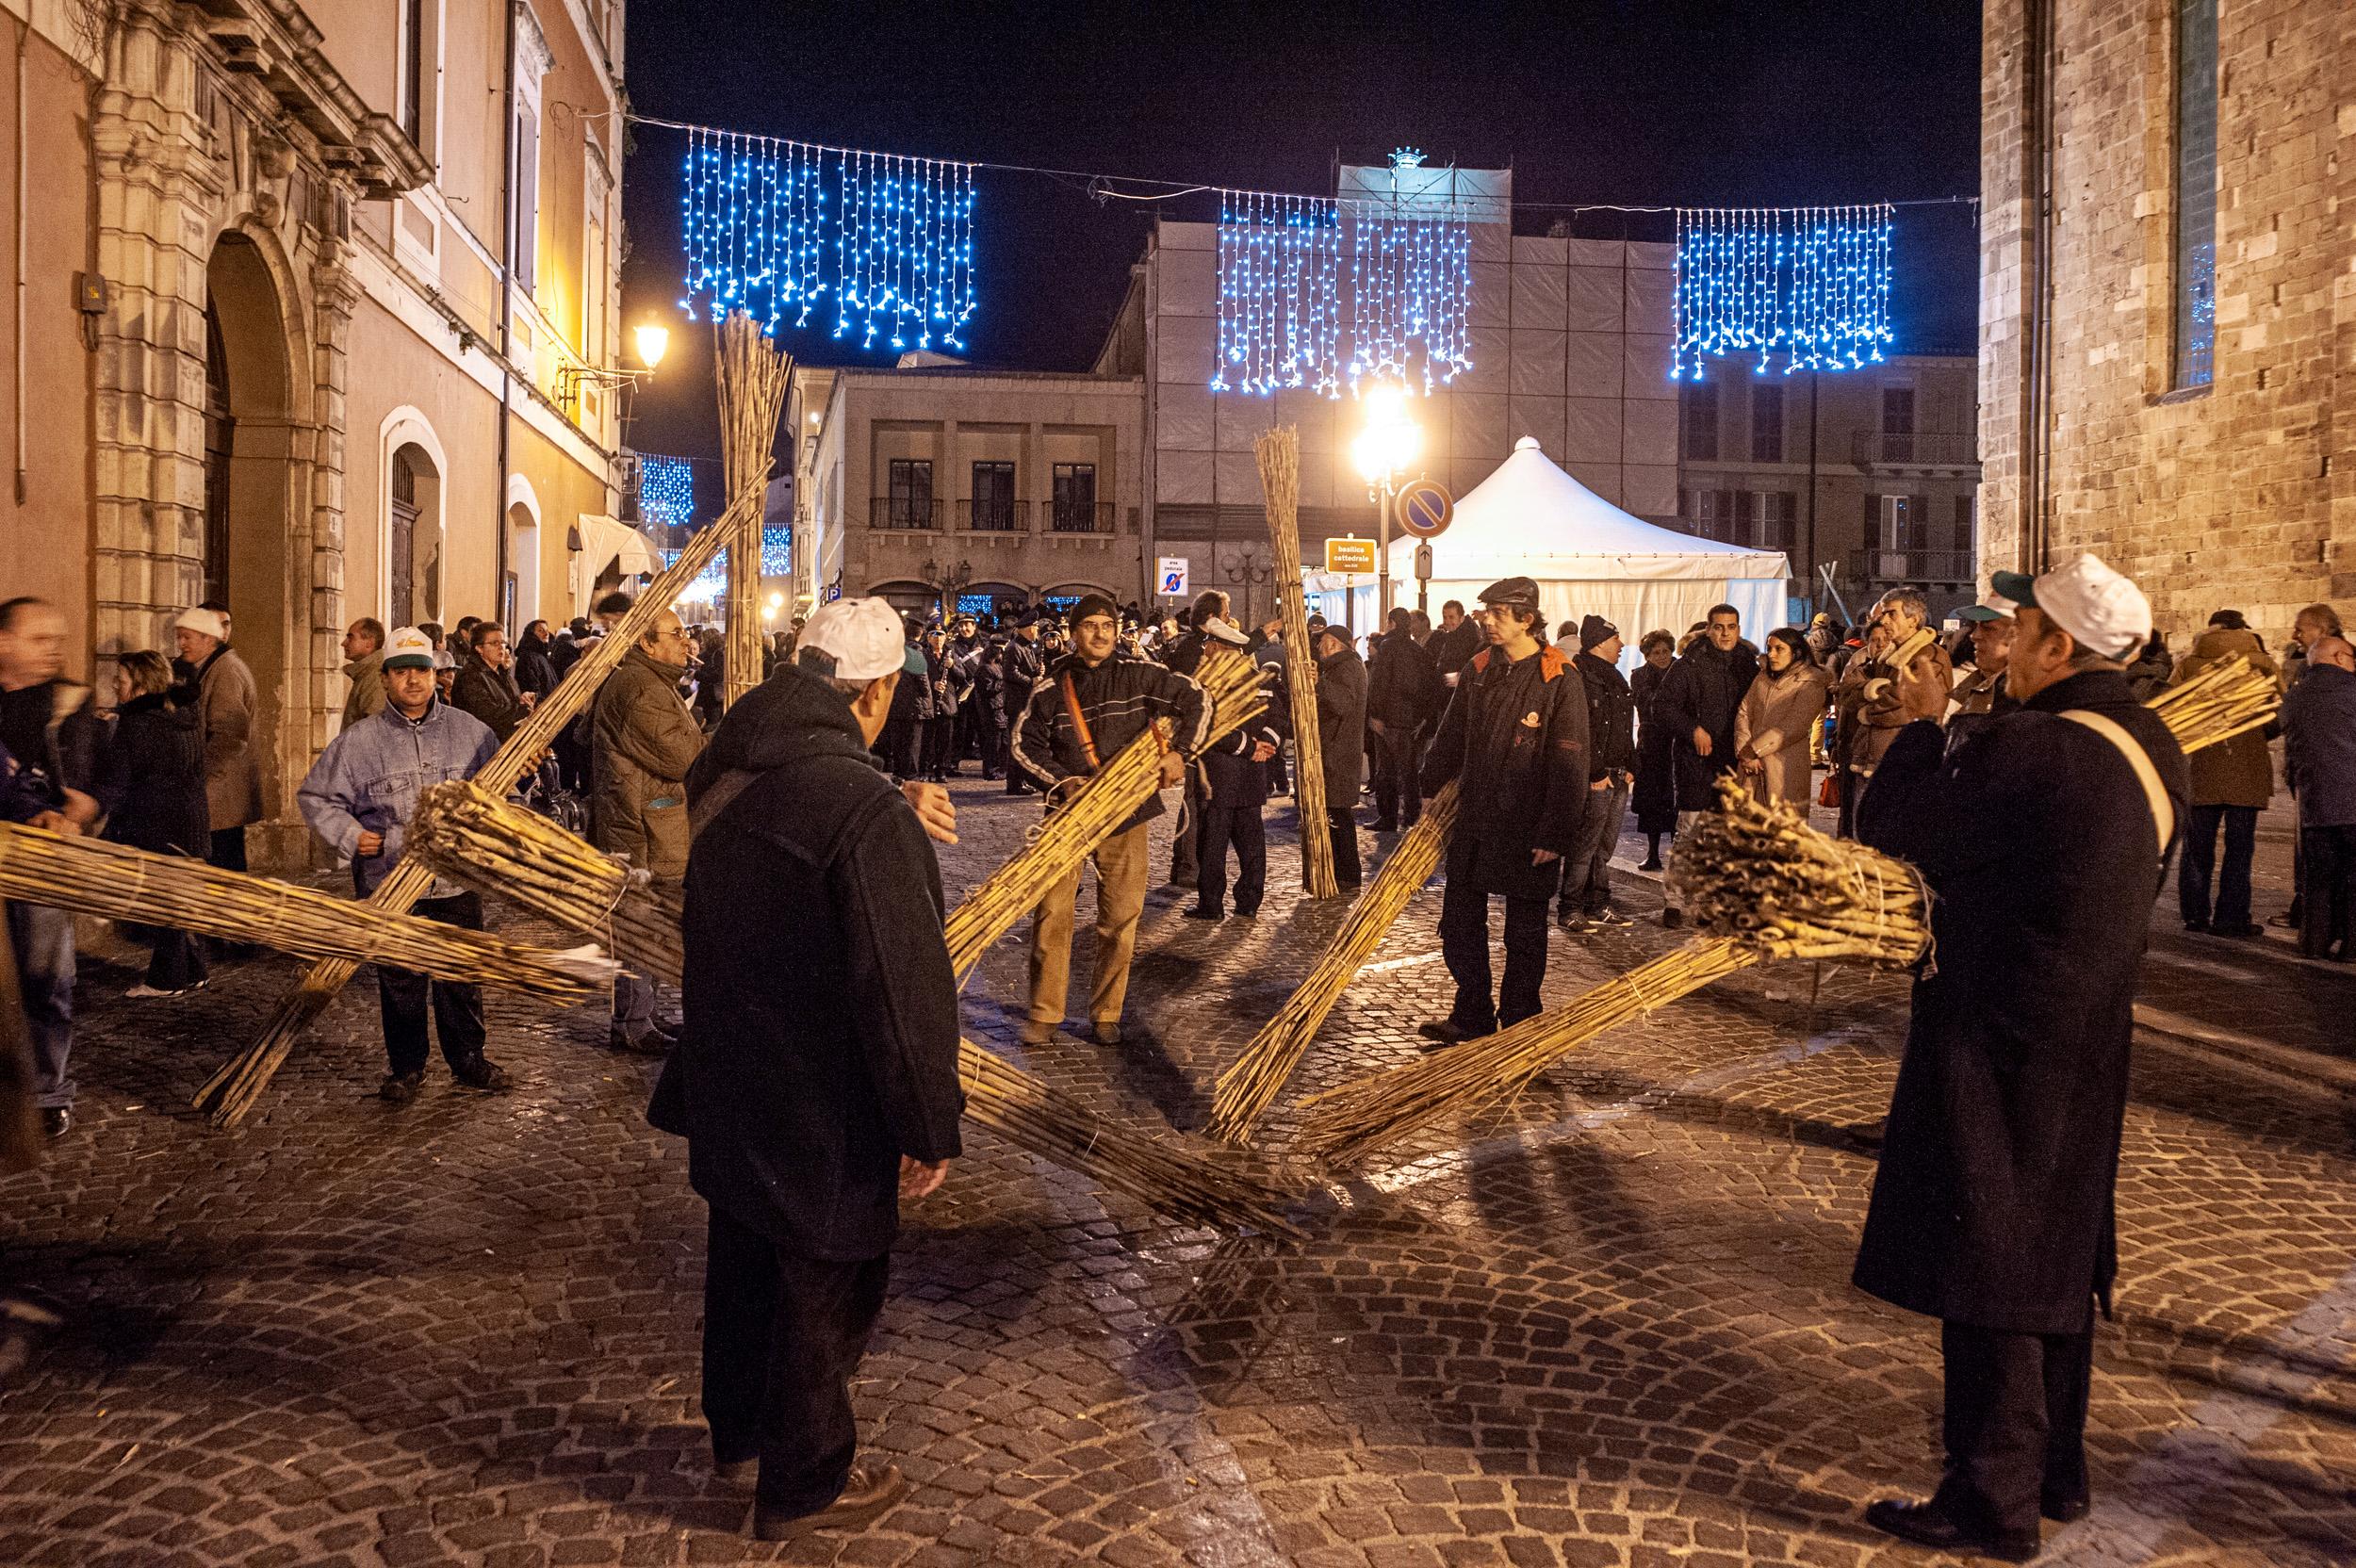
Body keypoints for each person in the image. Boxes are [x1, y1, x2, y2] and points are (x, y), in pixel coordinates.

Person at [1853, 552, 2188, 1563]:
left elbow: (1894, 833)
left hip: (2000, 1035)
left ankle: (1988, 1496)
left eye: (2021, 625)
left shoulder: (2036, 747)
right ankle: (2055, 1472)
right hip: (2087, 1036)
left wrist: (1923, 726)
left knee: (1991, 1258)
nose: (1996, 645)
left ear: (2060, 646)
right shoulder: (2149, 741)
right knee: (2055, 1254)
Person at [646, 597, 961, 1543]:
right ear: (870, 694)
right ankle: (805, 1480)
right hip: (826, 1101)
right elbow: (902, 985)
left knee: (744, 1262)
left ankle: (739, 1436)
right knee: (827, 1283)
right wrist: (926, 1121)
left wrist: (885, 797)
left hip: (732, 1076)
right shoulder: (860, 812)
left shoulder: (730, 771)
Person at [298, 628, 514, 1102]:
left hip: (454, 881)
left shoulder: (472, 733)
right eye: (401, 672)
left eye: (421, 670)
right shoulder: (359, 742)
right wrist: (356, 839)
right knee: (400, 978)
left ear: (436, 675)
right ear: (386, 678)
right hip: (391, 882)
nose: (412, 681)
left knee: (461, 972)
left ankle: (468, 1059)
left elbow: (504, 798)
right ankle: (406, 1067)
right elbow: (317, 798)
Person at [1010, 593, 1207, 1047]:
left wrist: (1182, 753)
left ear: (1117, 632)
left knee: (1120, 917)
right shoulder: (1050, 689)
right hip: (1067, 815)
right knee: (1052, 913)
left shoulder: (1141, 676)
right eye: (1090, 626)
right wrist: (1062, 782)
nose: (1100, 634)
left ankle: (1106, 1012)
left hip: (1126, 811)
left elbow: (1198, 697)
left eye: (1107, 626)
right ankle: (1045, 1012)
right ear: (1074, 633)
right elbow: (1023, 745)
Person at [1416, 578, 1588, 1045]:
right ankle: (1471, 1012)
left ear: (1526, 618)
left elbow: (1571, 761)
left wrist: (1555, 834)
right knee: (1458, 923)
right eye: (1485, 612)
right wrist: (1431, 786)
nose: (1486, 621)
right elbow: (1451, 734)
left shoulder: (1559, 677)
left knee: (1525, 933)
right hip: (1475, 818)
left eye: (1496, 613)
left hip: (1527, 824)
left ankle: (1519, 1022)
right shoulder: (1479, 668)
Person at [0, 598, 103, 1136]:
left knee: (46, 977)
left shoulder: (69, 700)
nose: (55, 651)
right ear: (3, 643)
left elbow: (99, 772)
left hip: (41, 863)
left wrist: (76, 806)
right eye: (40, 639)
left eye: (58, 639)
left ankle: (47, 1090)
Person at [593, 609, 706, 1053]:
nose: (687, 642)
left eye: (686, 633)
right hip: (642, 829)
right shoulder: (640, 688)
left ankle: (640, 1013)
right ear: (646, 643)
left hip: (650, 822)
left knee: (649, 922)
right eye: (676, 634)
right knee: (643, 925)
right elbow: (683, 757)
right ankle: (633, 1024)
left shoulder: (653, 681)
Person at [96, 649, 210, 997]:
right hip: (189, 821)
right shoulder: (182, 716)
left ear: (141, 685)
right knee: (175, 897)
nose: (116, 686)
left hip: (156, 823)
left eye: (122, 679)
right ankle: (192, 971)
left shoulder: (137, 726)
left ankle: (166, 980)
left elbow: (117, 780)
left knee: (164, 901)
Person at [2171, 612, 2278, 938]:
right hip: (2247, 768)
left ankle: (2195, 914)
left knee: (2196, 847)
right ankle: (2231, 918)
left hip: (2201, 765)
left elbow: (2173, 712)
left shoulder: (2189, 664)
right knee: (2240, 848)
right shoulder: (2262, 665)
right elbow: (2275, 718)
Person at [1654, 604, 1757, 925]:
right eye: (1719, 627)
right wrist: (1692, 729)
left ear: (1738, 629)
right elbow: (1663, 706)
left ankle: (1708, 901)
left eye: (1731, 626)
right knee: (1689, 833)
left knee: (1723, 836)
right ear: (1708, 629)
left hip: (1732, 763)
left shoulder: (1746, 665)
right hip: (1695, 762)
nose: (1725, 633)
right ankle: (1674, 901)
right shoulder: (1689, 665)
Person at [1186, 620, 1287, 921]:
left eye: (1207, 646)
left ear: (1217, 648)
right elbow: (1280, 718)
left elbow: (1210, 729)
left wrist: (1249, 746)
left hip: (1217, 778)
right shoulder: (1259, 679)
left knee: (1212, 846)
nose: (1204, 651)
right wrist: (1266, 744)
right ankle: (1249, 902)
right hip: (1253, 775)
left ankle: (1211, 904)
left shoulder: (1209, 683)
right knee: (1252, 844)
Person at [1557, 616, 1637, 930]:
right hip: (1599, 776)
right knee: (1585, 844)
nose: (1621, 645)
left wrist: (1631, 764)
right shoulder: (1580, 676)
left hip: (1617, 774)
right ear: (1601, 642)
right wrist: (1594, 771)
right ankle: (1571, 906)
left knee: (1604, 846)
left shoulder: (1614, 677)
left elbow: (1622, 726)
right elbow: (1580, 730)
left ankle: (1599, 903)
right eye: (1616, 639)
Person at [172, 606, 262, 874]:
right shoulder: (207, 668)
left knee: (223, 870)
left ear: (208, 639)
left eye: (188, 637)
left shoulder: (225, 671)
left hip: (220, 794)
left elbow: (230, 736)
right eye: (180, 637)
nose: (182, 644)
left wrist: (198, 777)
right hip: (218, 792)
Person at [2283, 634, 2356, 961]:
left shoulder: (2295, 696)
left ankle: (2313, 943)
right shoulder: (2353, 691)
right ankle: (2353, 947)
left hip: (2314, 803)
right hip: (2353, 803)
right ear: (2340, 657)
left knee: (2319, 880)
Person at [1735, 629, 1831, 808]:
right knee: (1747, 828)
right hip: (1750, 766)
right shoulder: (1763, 677)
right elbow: (1744, 712)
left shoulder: (1811, 681)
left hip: (1785, 767)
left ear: (1796, 652)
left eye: (1779, 649)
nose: (1772, 654)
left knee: (1781, 827)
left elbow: (1794, 726)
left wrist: (1754, 750)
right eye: (1769, 648)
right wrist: (1745, 752)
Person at [1366, 606, 1440, 831]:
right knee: (1408, 771)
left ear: (1391, 623)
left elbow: (1379, 683)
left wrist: (1375, 714)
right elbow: (1431, 684)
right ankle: (1411, 816)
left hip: (1389, 719)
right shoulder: (1418, 650)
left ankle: (1387, 817)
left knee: (1386, 771)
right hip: (1409, 720)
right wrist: (1422, 716)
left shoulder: (1387, 647)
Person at [1312, 622, 1368, 888]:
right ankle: (1343, 872)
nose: (1319, 648)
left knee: (1339, 815)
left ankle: (1346, 874)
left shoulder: (1345, 667)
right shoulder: (1345, 666)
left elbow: (1343, 703)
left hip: (1338, 751)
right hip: (1338, 749)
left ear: (1333, 644)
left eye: (1322, 643)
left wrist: (1319, 684)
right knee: (1337, 812)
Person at [1629, 629, 1678, 871]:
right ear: (1647, 655)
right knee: (1651, 802)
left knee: (1676, 800)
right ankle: (1653, 853)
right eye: (1656, 652)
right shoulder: (1639, 676)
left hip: (1676, 742)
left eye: (1665, 651)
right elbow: (1648, 704)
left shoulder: (1681, 671)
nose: (1662, 656)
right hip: (1651, 745)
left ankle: (1677, 855)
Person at [450, 622, 531, 743]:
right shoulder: (470, 676)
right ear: (479, 648)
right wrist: (524, 710)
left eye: (503, 643)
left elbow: (510, 702)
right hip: (481, 746)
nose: (501, 647)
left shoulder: (503, 673)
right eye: (494, 643)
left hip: (507, 744)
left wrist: (524, 699)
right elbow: (487, 715)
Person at [1950, 590, 2021, 724]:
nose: (1974, 635)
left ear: (2018, 635)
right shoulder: (1974, 685)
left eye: (1988, 628)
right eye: (1977, 626)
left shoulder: (2022, 703)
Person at [999, 612, 1045, 795]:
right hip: (1017, 703)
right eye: (1035, 627)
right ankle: (1015, 783)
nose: (1037, 631)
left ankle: (1020, 780)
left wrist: (1037, 669)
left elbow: (1024, 668)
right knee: (1017, 744)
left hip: (1024, 702)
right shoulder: (1014, 647)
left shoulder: (1026, 647)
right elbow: (1010, 673)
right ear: (1026, 629)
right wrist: (1031, 680)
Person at [340, 617, 387, 731]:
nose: (343, 643)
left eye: (350, 637)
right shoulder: (366, 673)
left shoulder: (375, 676)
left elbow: (375, 731)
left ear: (369, 643)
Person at [1426, 598, 1481, 687]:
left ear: (1462, 618)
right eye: (1445, 617)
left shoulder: (1467, 638)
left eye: (1451, 617)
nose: (1447, 621)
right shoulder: (1453, 634)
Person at [515, 620, 559, 704]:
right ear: (531, 634)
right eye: (541, 631)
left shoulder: (541, 656)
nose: (546, 634)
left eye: (547, 631)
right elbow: (531, 688)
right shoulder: (528, 657)